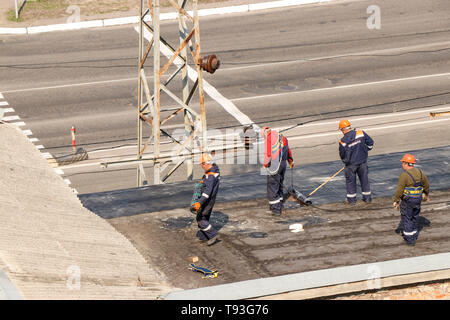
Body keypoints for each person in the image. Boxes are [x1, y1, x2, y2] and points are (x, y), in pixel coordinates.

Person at [393, 154, 430, 246]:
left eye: (403, 163)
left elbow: (400, 190)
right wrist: (426, 194)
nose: (402, 165)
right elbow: (426, 185)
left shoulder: (404, 175)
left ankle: (410, 240)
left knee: (407, 218)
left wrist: (396, 201)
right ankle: (414, 235)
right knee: (415, 216)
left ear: (406, 163)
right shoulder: (421, 172)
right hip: (418, 198)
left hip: (408, 200)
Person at [338, 119, 374, 204]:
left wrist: (346, 162)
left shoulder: (342, 141)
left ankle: (352, 201)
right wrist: (365, 150)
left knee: (350, 182)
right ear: (350, 127)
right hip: (362, 162)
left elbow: (342, 155)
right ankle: (367, 198)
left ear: (343, 129)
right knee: (364, 180)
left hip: (351, 165)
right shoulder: (360, 133)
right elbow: (370, 143)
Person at [261, 126, 294, 216]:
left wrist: (265, 165)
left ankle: (276, 210)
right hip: (283, 164)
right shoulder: (282, 137)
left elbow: (267, 154)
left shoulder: (268, 138)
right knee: (279, 184)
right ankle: (280, 204)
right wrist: (291, 161)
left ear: (265, 133)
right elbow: (288, 150)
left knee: (272, 187)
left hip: (274, 165)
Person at [190, 153, 221, 246]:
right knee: (205, 216)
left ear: (206, 164)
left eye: (202, 165)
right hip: (211, 199)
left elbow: (207, 192)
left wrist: (199, 202)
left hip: (207, 200)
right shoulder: (214, 170)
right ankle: (203, 236)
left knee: (200, 218)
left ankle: (213, 234)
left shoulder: (211, 176)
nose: (202, 167)